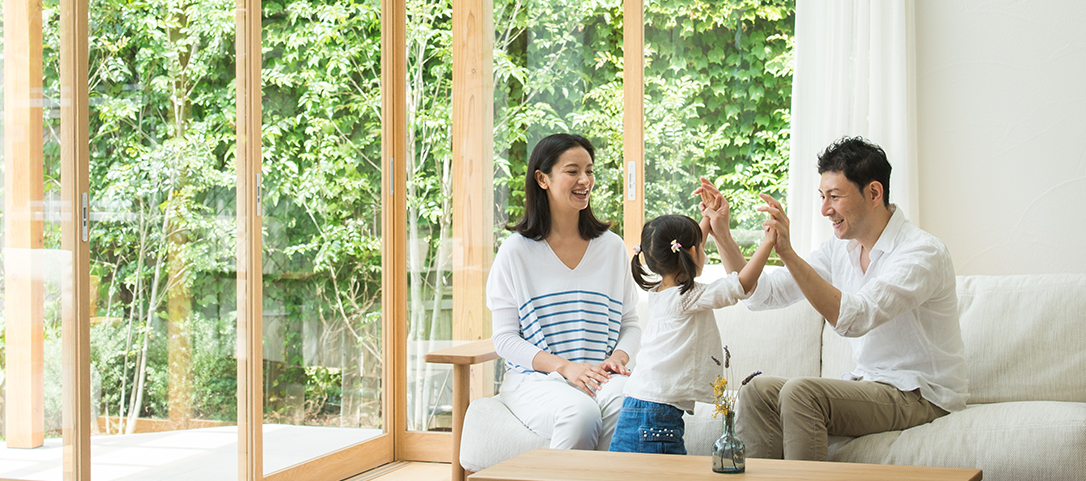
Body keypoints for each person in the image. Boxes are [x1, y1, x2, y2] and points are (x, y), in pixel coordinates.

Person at [698, 136, 969, 461]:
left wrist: (787, 253)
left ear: (873, 193)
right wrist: (723, 234)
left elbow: (856, 317)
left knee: (802, 393)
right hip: (870, 383)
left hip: (921, 392)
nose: (826, 209)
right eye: (822, 196)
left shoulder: (921, 253)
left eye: (835, 197)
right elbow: (763, 296)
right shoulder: (840, 249)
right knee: (758, 391)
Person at [487, 133, 642, 451]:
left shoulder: (611, 247)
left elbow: (630, 323)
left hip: (600, 376)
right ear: (542, 179)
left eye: (589, 170)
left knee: (628, 401)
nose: (585, 180)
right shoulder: (515, 252)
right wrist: (564, 367)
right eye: (573, 171)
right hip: (537, 380)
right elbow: (504, 339)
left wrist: (618, 358)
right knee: (580, 412)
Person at [607, 187, 776, 455]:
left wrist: (707, 221)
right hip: (656, 416)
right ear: (693, 251)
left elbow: (687, 254)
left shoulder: (661, 292)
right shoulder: (689, 297)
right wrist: (768, 244)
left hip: (638, 405)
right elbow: (741, 285)